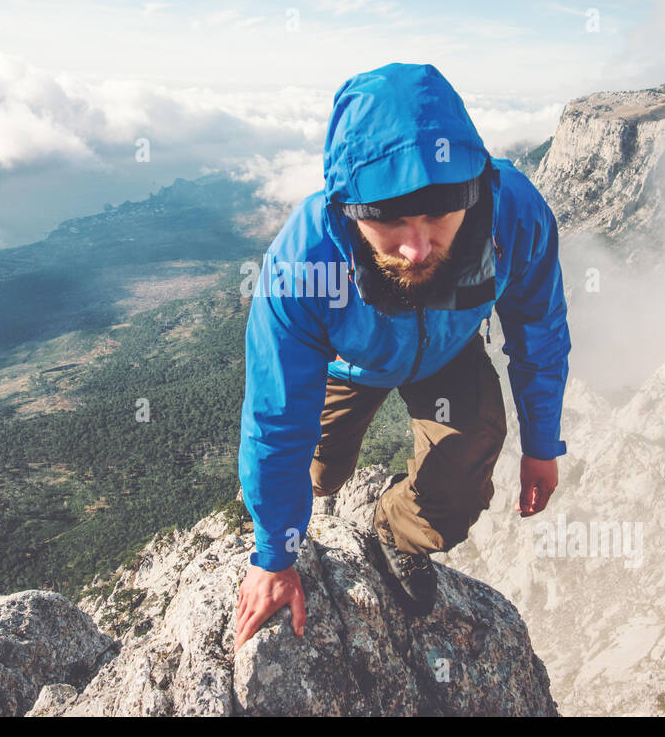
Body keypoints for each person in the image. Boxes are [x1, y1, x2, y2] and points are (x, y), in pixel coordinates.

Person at [234, 62, 570, 653]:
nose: (417, 249)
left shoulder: (513, 212)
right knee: (318, 474)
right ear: (349, 211)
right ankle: (329, 485)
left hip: (448, 350)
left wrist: (542, 443)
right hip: (348, 363)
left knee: (461, 481)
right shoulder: (304, 262)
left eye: (439, 214)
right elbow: (276, 414)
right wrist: (275, 555)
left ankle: (395, 533)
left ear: (476, 189)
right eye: (389, 219)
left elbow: (539, 329)